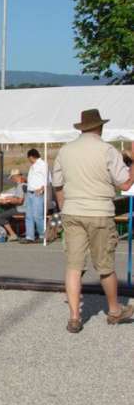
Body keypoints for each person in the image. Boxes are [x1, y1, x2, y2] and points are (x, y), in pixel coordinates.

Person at [52, 108, 133, 333]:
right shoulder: (107, 150)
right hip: (99, 211)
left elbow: (57, 184)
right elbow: (125, 184)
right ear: (100, 127)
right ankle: (115, 310)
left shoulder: (65, 151)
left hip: (72, 210)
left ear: (82, 127)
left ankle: (75, 317)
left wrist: (63, 206)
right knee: (105, 265)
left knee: (74, 266)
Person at [19, 148, 49, 243]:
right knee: (29, 216)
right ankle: (29, 236)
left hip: (37, 193)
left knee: (37, 216)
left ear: (31, 157)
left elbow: (47, 179)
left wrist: (42, 189)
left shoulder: (43, 165)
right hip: (30, 192)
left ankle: (42, 235)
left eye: (29, 158)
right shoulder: (33, 165)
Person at [0, 169, 26, 241]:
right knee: (8, 212)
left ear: (15, 177)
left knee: (1, 216)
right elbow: (19, 197)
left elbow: (19, 201)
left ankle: (12, 234)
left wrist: (7, 201)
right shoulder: (26, 184)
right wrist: (10, 198)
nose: (12, 180)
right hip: (27, 208)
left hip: (22, 209)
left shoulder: (20, 185)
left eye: (12, 178)